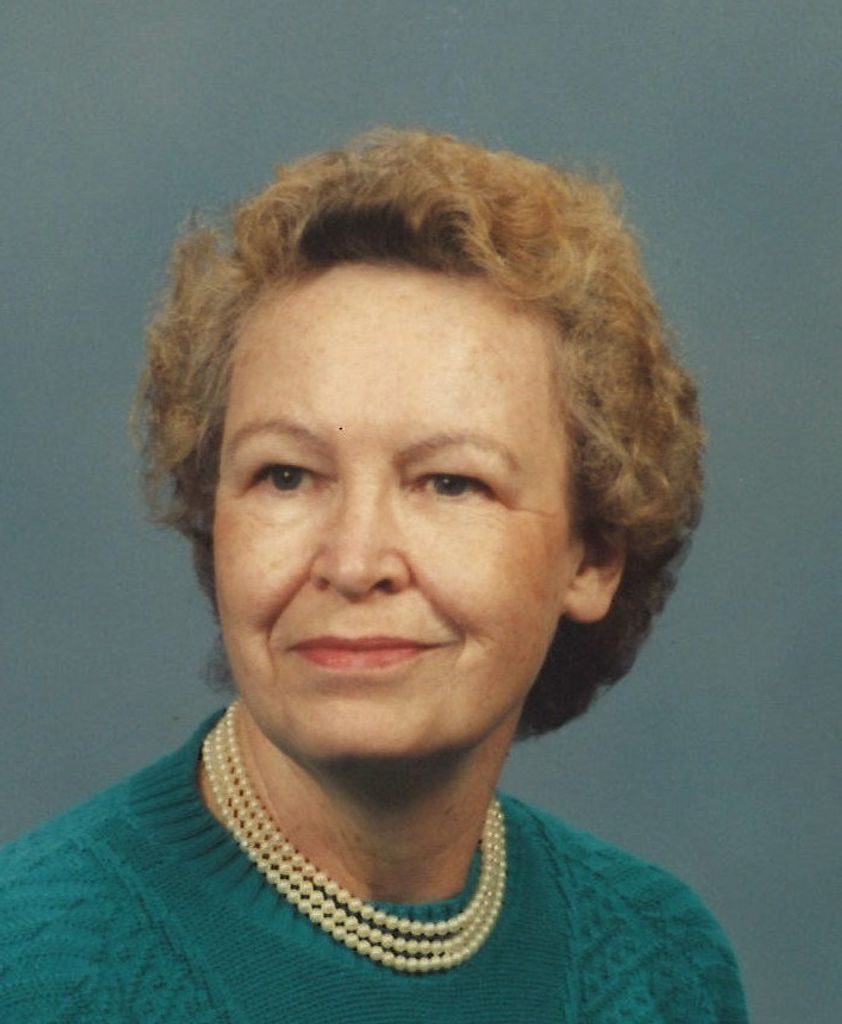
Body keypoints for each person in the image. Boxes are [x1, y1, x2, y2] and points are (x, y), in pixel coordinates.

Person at [0, 129, 748, 1022]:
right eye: (286, 476)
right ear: (212, 516)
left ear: (593, 555)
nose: (354, 563)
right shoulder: (34, 970)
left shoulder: (663, 966)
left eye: (450, 483)